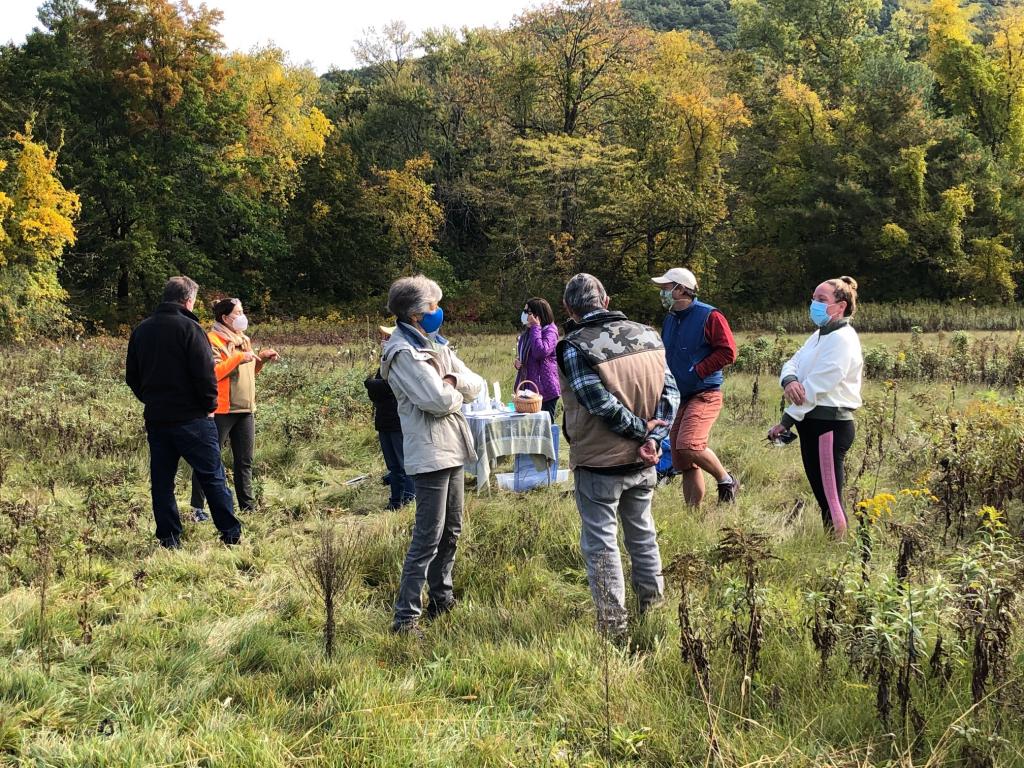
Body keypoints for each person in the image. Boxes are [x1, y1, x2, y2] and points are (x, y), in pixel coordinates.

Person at [556, 273, 679, 638]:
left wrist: (644, 432)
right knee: (643, 535)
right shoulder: (649, 335)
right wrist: (655, 436)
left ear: (569, 309)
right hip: (645, 457)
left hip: (600, 460)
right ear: (605, 301)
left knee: (602, 544)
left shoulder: (574, 346)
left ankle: (614, 628)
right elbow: (670, 393)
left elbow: (597, 402)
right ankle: (652, 610)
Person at [380, 275, 485, 635]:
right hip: (429, 451)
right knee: (428, 535)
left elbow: (478, 383)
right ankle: (405, 618)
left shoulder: (435, 344)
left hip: (453, 446)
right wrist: (453, 383)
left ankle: (442, 597)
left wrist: (451, 379)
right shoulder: (403, 352)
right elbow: (436, 400)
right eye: (432, 307)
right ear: (413, 315)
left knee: (452, 529)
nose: (438, 312)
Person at [125, 276, 242, 549]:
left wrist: (151, 399)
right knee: (212, 476)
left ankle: (169, 538)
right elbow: (205, 375)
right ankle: (230, 534)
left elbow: (132, 376)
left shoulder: (141, 330)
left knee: (162, 481)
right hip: (193, 419)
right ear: (188, 300)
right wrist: (208, 407)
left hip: (158, 418)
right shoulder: (191, 329)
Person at [768, 277, 863, 537]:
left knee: (831, 498)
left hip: (829, 427)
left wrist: (786, 421)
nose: (814, 305)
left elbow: (816, 386)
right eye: (813, 299)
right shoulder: (819, 335)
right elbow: (792, 363)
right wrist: (789, 380)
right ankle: (833, 544)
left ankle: (838, 551)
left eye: (822, 300)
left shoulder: (843, 339)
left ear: (840, 306)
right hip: (811, 424)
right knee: (822, 495)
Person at [651, 267, 739, 506]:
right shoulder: (670, 319)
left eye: (666, 288)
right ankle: (693, 513)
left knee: (689, 444)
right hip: (679, 395)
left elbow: (728, 352)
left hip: (705, 393)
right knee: (681, 458)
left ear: (681, 289)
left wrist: (698, 370)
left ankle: (726, 480)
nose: (663, 293)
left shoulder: (709, 315)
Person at [189, 298, 279, 521]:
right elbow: (214, 373)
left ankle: (247, 507)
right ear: (225, 318)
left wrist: (262, 360)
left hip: (246, 409)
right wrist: (239, 357)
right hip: (221, 410)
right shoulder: (212, 340)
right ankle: (198, 508)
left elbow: (248, 373)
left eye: (242, 311)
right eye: (237, 313)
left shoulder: (243, 340)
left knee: (245, 461)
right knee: (209, 459)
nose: (242, 317)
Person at [365, 325, 416, 510]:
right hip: (384, 420)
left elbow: (390, 387)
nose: (384, 341)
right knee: (393, 466)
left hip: (399, 420)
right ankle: (395, 502)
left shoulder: (403, 359)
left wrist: (371, 383)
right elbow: (378, 391)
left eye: (388, 337)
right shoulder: (386, 360)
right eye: (384, 337)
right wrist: (374, 385)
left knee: (404, 465)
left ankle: (409, 500)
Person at [514, 297, 561, 419]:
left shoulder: (550, 331)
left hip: (545, 390)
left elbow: (540, 352)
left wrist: (536, 327)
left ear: (537, 314)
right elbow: (526, 354)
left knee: (545, 428)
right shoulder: (528, 333)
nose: (524, 315)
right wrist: (518, 362)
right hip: (529, 389)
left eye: (527, 312)